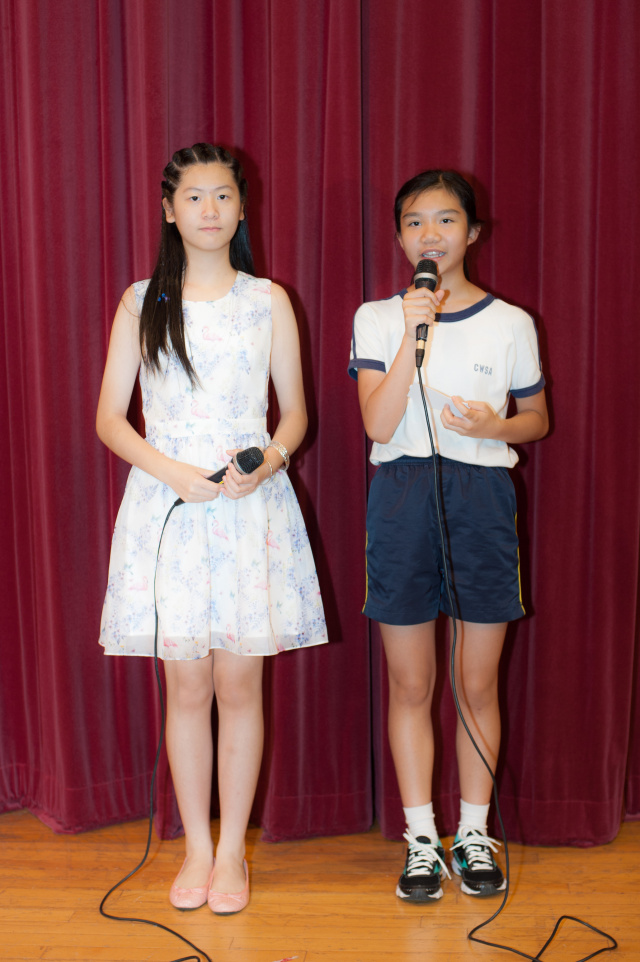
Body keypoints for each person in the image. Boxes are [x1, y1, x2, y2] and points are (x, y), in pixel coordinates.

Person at [97, 143, 327, 915]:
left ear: (241, 207)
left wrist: (270, 461)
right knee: (188, 685)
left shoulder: (268, 300)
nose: (209, 209)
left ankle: (232, 854)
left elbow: (294, 414)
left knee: (239, 682)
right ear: (169, 210)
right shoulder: (141, 302)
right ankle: (196, 844)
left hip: (248, 507)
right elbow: (110, 419)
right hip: (169, 509)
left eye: (223, 195)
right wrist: (172, 473)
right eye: (193, 196)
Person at [348, 170, 548, 902]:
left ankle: (474, 831)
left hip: (481, 499)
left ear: (473, 232)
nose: (429, 234)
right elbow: (377, 424)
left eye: (445, 220)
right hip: (401, 496)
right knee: (411, 682)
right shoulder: (377, 318)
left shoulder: (511, 322)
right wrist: (413, 331)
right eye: (414, 222)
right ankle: (421, 839)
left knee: (475, 682)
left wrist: (497, 425)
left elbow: (537, 420)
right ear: (400, 236)